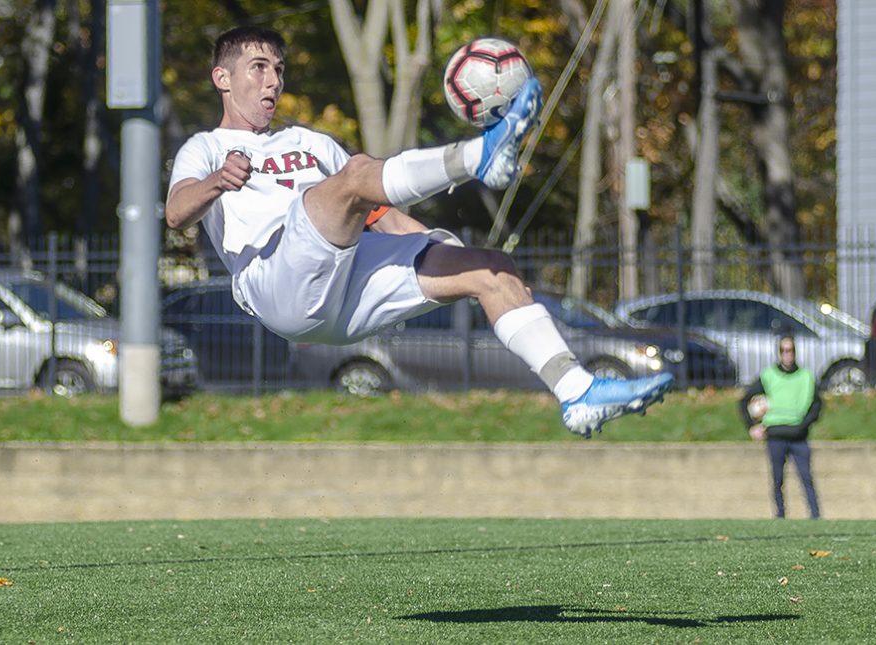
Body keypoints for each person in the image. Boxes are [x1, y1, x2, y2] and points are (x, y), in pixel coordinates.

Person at [164, 25, 673, 437]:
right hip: (275, 283)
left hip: (343, 291)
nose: (273, 80)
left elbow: (379, 212)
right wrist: (214, 182)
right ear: (222, 79)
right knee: (353, 178)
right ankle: (476, 155)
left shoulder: (309, 142)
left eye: (278, 69)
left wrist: (438, 248)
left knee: (491, 269)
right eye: (258, 68)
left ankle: (576, 391)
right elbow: (176, 212)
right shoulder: (206, 147)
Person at [739, 336, 822, 518]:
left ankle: (815, 515)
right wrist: (752, 426)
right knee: (777, 479)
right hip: (775, 435)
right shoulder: (768, 375)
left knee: (806, 477)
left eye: (790, 350)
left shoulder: (806, 376)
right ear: (779, 353)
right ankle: (780, 515)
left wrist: (804, 425)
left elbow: (816, 406)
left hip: (798, 435)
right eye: (784, 351)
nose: (788, 355)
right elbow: (743, 401)